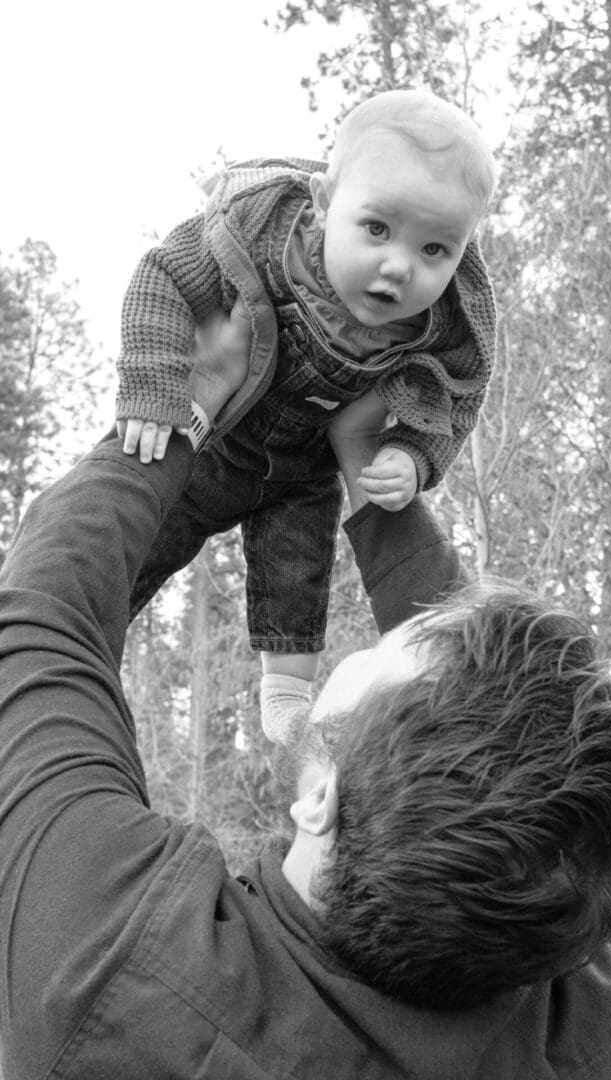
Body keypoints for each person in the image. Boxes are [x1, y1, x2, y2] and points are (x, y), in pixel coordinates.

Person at [0, 323, 611, 1079]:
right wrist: (366, 463)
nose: (401, 628)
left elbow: (44, 616)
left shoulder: (109, 966)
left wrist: (183, 403)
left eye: (392, 649)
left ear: (324, 797)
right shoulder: (601, 1026)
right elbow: (555, 808)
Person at [115, 88, 498, 740]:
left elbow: (454, 390)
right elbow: (162, 278)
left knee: (295, 564)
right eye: (376, 229)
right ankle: (98, 626)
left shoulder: (445, 319)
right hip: (223, 434)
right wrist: (155, 389)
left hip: (306, 460)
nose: (398, 267)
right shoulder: (257, 239)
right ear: (323, 205)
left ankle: (286, 692)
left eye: (436, 250)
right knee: (152, 529)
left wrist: (410, 454)